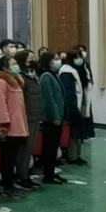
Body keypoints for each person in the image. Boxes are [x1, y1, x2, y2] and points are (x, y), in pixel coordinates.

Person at [0, 55, 29, 198]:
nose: (16, 66)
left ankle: (11, 182)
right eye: (13, 64)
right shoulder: (1, 82)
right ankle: (7, 185)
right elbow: (0, 105)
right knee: (7, 157)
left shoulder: (16, 81)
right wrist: (4, 124)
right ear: (5, 67)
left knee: (12, 156)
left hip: (18, 125)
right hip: (8, 127)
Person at [15, 50, 42, 191]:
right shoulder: (20, 77)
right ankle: (21, 177)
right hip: (26, 117)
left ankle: (26, 175)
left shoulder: (33, 75)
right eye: (30, 58)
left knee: (30, 148)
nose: (33, 60)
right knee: (24, 149)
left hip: (35, 116)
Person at [38, 52, 67, 184]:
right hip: (51, 119)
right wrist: (55, 116)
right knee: (49, 147)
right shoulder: (46, 77)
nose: (58, 61)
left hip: (58, 117)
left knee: (54, 147)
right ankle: (48, 175)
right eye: (55, 59)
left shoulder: (54, 75)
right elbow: (49, 100)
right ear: (48, 61)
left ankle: (52, 171)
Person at [59, 50, 87, 165]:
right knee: (73, 132)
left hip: (76, 105)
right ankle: (72, 156)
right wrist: (72, 107)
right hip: (71, 106)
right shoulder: (66, 71)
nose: (79, 59)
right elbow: (68, 92)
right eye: (77, 57)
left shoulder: (74, 69)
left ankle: (76, 155)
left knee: (77, 132)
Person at [74, 44, 95, 140]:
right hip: (79, 91)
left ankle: (88, 132)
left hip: (87, 90)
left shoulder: (86, 64)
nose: (83, 52)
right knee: (81, 112)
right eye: (80, 50)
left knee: (88, 111)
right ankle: (82, 133)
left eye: (83, 50)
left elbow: (90, 76)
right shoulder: (75, 66)